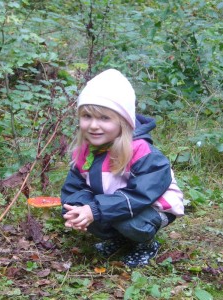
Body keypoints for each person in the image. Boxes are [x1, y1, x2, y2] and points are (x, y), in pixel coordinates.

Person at [61, 69, 184, 267]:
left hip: (151, 207)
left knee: (128, 222)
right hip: (113, 203)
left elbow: (141, 195)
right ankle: (121, 239)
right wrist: (80, 209)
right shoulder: (85, 152)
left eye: (104, 118)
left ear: (123, 121)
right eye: (87, 116)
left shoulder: (144, 152)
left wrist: (95, 209)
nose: (93, 125)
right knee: (83, 212)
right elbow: (74, 189)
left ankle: (145, 244)